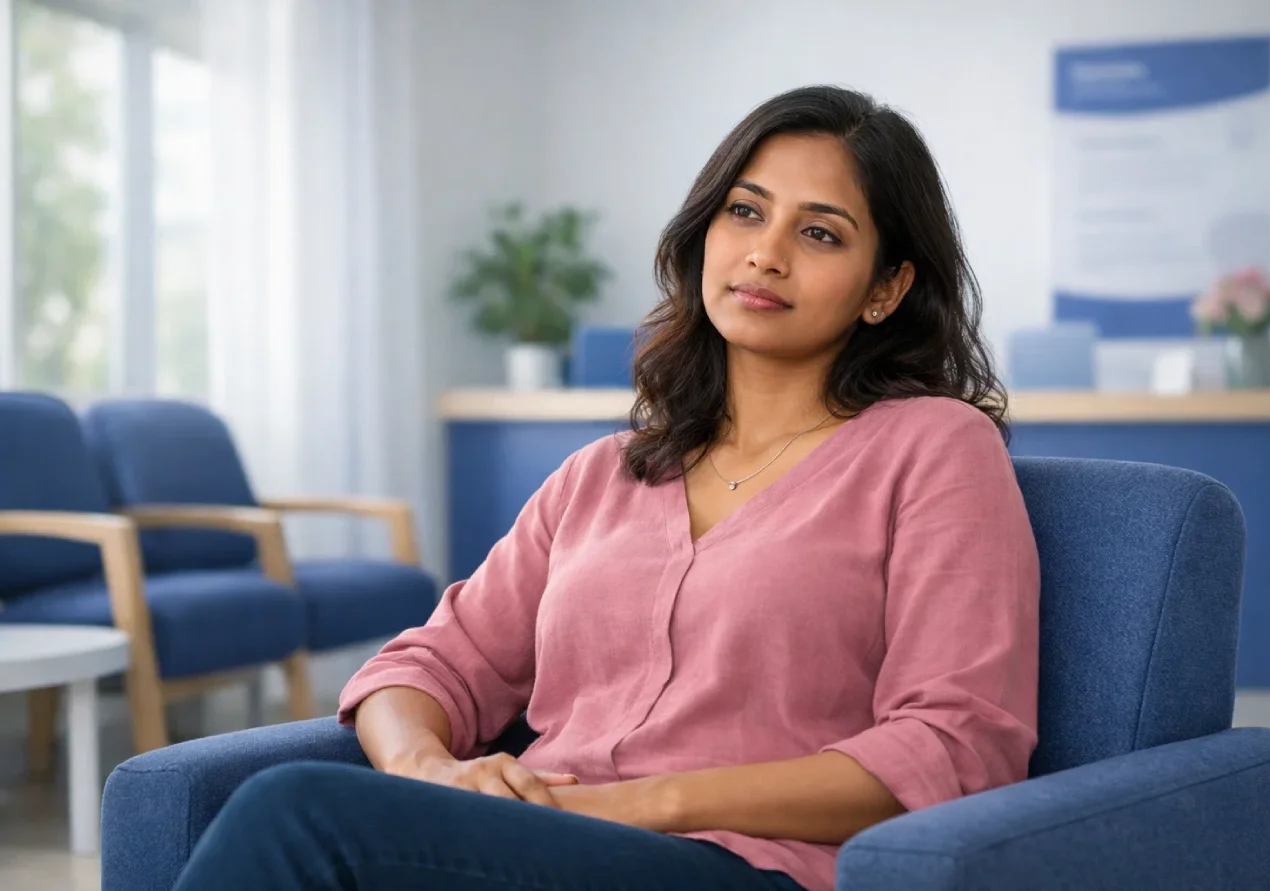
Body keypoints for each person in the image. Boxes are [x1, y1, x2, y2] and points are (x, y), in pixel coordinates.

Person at [171, 84, 1040, 891]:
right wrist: (428, 774)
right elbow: (428, 664)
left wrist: (649, 800)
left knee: (295, 810)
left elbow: (952, 745)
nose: (765, 255)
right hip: (544, 843)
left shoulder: (936, 449)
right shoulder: (601, 474)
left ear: (885, 289)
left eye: (819, 233)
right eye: (745, 212)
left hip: (740, 865)